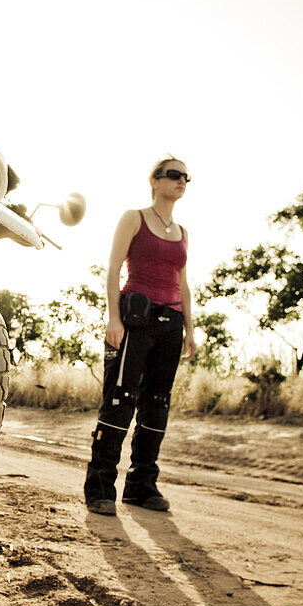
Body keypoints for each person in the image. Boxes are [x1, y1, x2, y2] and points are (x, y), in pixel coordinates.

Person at [84, 156, 197, 515]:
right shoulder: (135, 218)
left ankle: (141, 486)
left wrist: (190, 329)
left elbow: (182, 283)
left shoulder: (183, 233)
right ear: (156, 181)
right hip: (136, 319)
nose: (182, 181)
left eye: (186, 177)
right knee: (120, 399)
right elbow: (115, 268)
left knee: (157, 405)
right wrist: (113, 319)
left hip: (171, 324)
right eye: (175, 175)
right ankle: (100, 487)